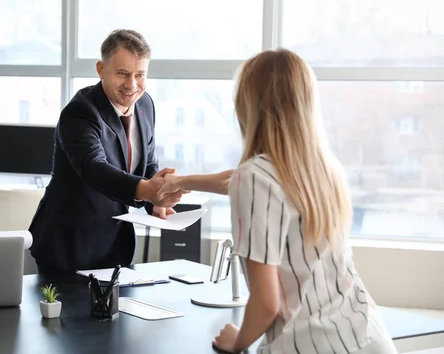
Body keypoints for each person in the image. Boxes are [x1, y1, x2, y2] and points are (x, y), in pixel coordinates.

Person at [159, 49, 397, 353]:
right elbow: (237, 181)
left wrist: (238, 341)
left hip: (313, 343)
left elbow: (266, 303)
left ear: (250, 105)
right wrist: (180, 182)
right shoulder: (321, 167)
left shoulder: (256, 177)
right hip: (366, 335)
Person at [29, 29, 185, 273]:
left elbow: (148, 162)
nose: (132, 85)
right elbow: (94, 168)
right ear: (101, 69)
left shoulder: (145, 104)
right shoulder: (80, 112)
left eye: (140, 74)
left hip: (115, 246)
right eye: (122, 74)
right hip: (69, 246)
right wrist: (146, 190)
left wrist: (157, 201)